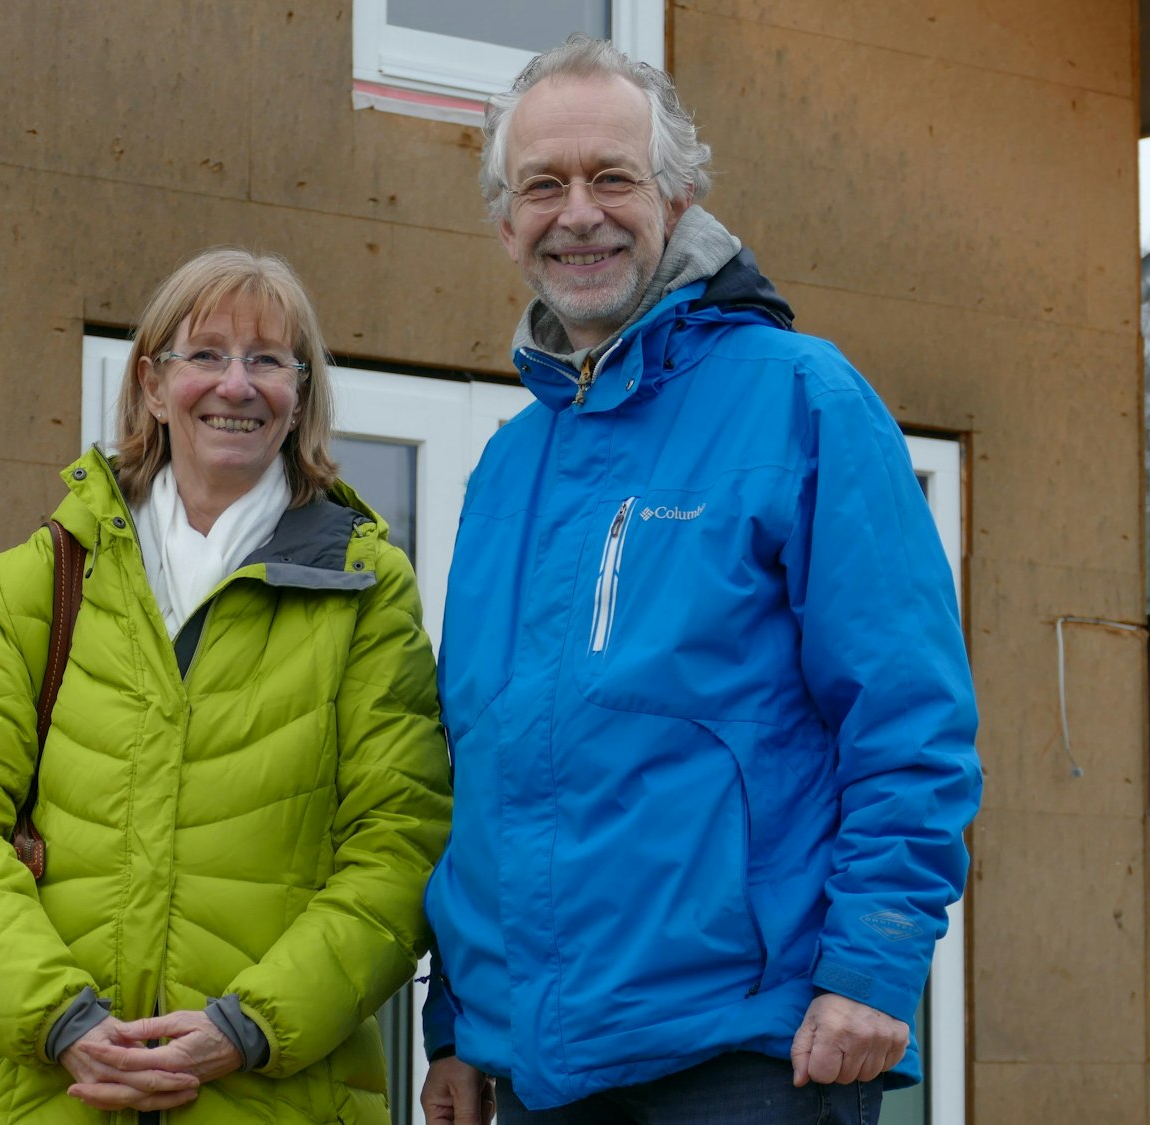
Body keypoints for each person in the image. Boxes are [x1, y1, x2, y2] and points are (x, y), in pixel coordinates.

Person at [419, 37, 983, 1125]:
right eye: (542, 185)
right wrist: (458, 1019)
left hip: (746, 1057)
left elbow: (906, 715)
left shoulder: (802, 401)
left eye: (611, 178)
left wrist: (871, 965)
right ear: (504, 225)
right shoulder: (506, 465)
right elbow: (487, 764)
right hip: (536, 1068)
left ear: (677, 198)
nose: (576, 212)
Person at [0, 247, 453, 1124]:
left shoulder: (365, 590)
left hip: (276, 1097)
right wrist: (59, 1018)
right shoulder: (37, 579)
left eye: (268, 359)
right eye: (207, 355)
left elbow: (401, 844)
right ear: (153, 384)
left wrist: (250, 1026)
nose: (238, 384)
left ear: (299, 393)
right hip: (55, 1094)